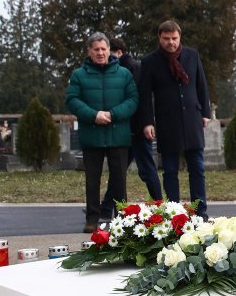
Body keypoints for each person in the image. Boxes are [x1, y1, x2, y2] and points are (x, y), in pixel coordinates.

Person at [137, 20, 211, 217]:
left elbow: (201, 85)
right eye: (166, 39)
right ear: (159, 38)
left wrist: (205, 113)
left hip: (192, 118)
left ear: (180, 37)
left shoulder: (192, 55)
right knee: (170, 170)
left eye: (174, 38)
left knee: (198, 168)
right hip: (167, 121)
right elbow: (144, 95)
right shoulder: (150, 61)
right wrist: (147, 122)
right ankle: (174, 212)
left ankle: (200, 211)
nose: (171, 42)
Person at [66, 32, 138, 233]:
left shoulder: (124, 74)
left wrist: (113, 114)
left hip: (118, 135)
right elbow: (72, 100)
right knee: (92, 180)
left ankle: (124, 219)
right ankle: (92, 219)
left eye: (103, 49)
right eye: (96, 49)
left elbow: (133, 100)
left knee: (119, 180)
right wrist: (93, 115)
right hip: (92, 135)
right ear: (89, 51)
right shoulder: (79, 75)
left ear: (109, 50)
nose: (100, 53)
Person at [100, 37, 162, 217]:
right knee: (118, 172)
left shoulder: (132, 68)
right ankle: (105, 208)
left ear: (118, 52)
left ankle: (159, 204)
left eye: (109, 52)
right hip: (128, 129)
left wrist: (145, 124)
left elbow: (140, 99)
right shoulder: (125, 67)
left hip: (136, 129)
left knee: (147, 170)